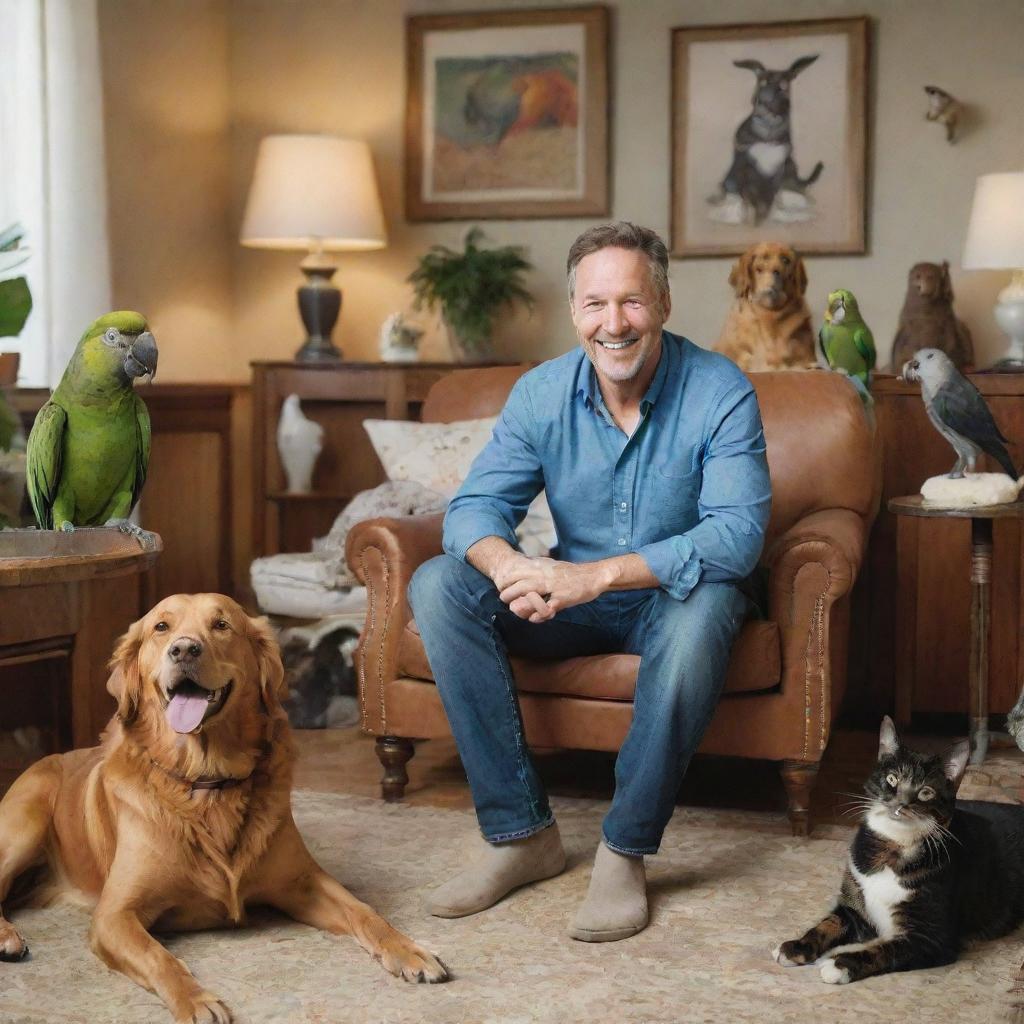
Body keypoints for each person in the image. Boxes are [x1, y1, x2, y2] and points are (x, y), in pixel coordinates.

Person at [408, 221, 771, 942]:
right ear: (574, 311)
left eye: (632, 302)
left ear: (663, 302)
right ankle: (520, 837)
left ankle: (624, 850)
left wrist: (593, 575)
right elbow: (475, 508)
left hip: (676, 598)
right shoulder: (541, 394)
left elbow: (738, 537)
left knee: (706, 609)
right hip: (572, 605)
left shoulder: (720, 390)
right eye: (596, 304)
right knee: (439, 584)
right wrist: (511, 566)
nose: (614, 323)